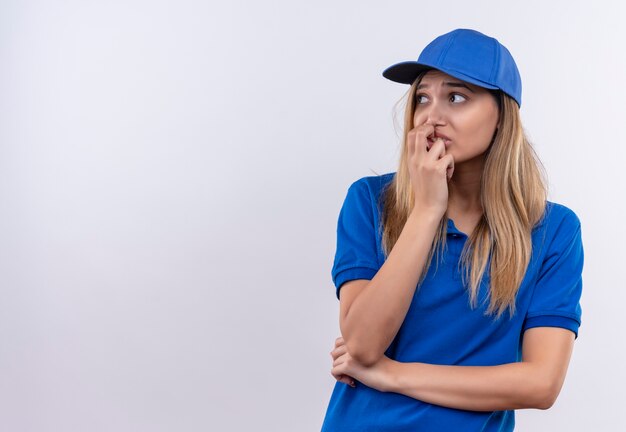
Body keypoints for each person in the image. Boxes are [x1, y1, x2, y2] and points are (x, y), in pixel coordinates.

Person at [320, 28, 584, 432]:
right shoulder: (370, 202)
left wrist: (392, 374)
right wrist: (427, 210)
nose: (431, 115)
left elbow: (541, 384)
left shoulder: (553, 230)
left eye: (456, 97)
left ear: (501, 116)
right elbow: (361, 345)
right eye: (422, 97)